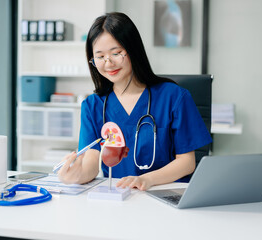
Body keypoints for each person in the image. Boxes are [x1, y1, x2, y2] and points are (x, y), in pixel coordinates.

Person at [58, 12, 212, 191]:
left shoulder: (174, 97)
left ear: (133, 50)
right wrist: (75, 175)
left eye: (116, 53)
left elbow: (186, 163)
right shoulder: (93, 106)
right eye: (99, 57)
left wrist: (147, 179)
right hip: (120, 198)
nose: (108, 63)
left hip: (164, 196)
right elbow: (91, 162)